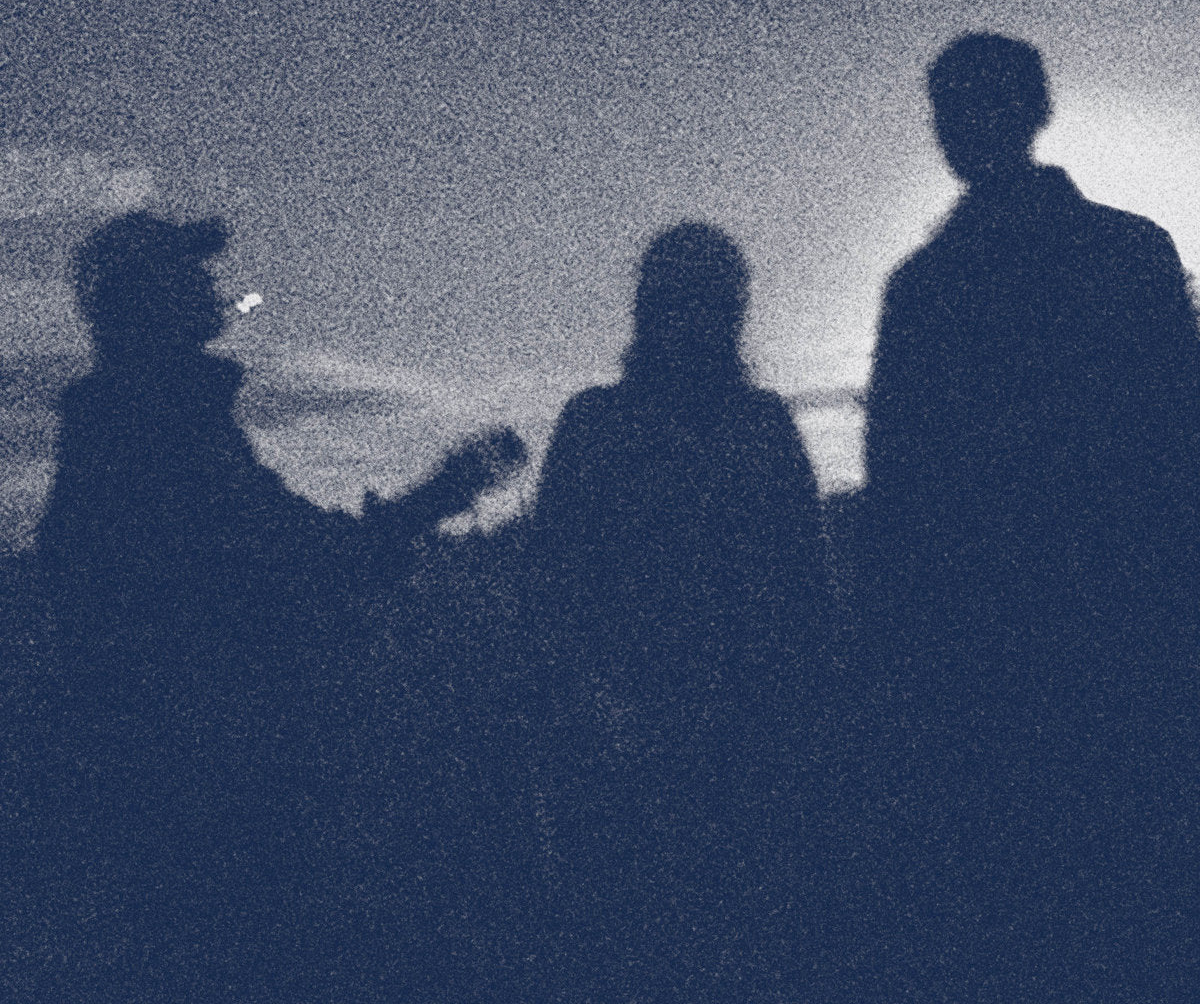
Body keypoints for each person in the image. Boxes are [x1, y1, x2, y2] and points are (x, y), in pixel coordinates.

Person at [34, 209, 524, 1001]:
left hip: (178, 774)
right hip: (208, 782)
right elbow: (285, 559)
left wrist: (416, 510)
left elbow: (278, 551)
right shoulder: (161, 427)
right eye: (186, 271)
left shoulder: (133, 424)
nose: (209, 284)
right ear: (148, 300)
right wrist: (434, 500)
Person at [859, 33, 1200, 998]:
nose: (954, 127)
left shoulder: (926, 289)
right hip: (1116, 642)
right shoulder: (1129, 254)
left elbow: (899, 503)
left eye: (960, 108)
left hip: (998, 660)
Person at [533, 222, 836, 1000]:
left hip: (739, 743)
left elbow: (806, 590)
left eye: (713, 301)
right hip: (629, 744)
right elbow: (556, 591)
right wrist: (593, 705)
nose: (699, 319)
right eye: (684, 300)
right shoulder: (600, 425)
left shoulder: (757, 427)